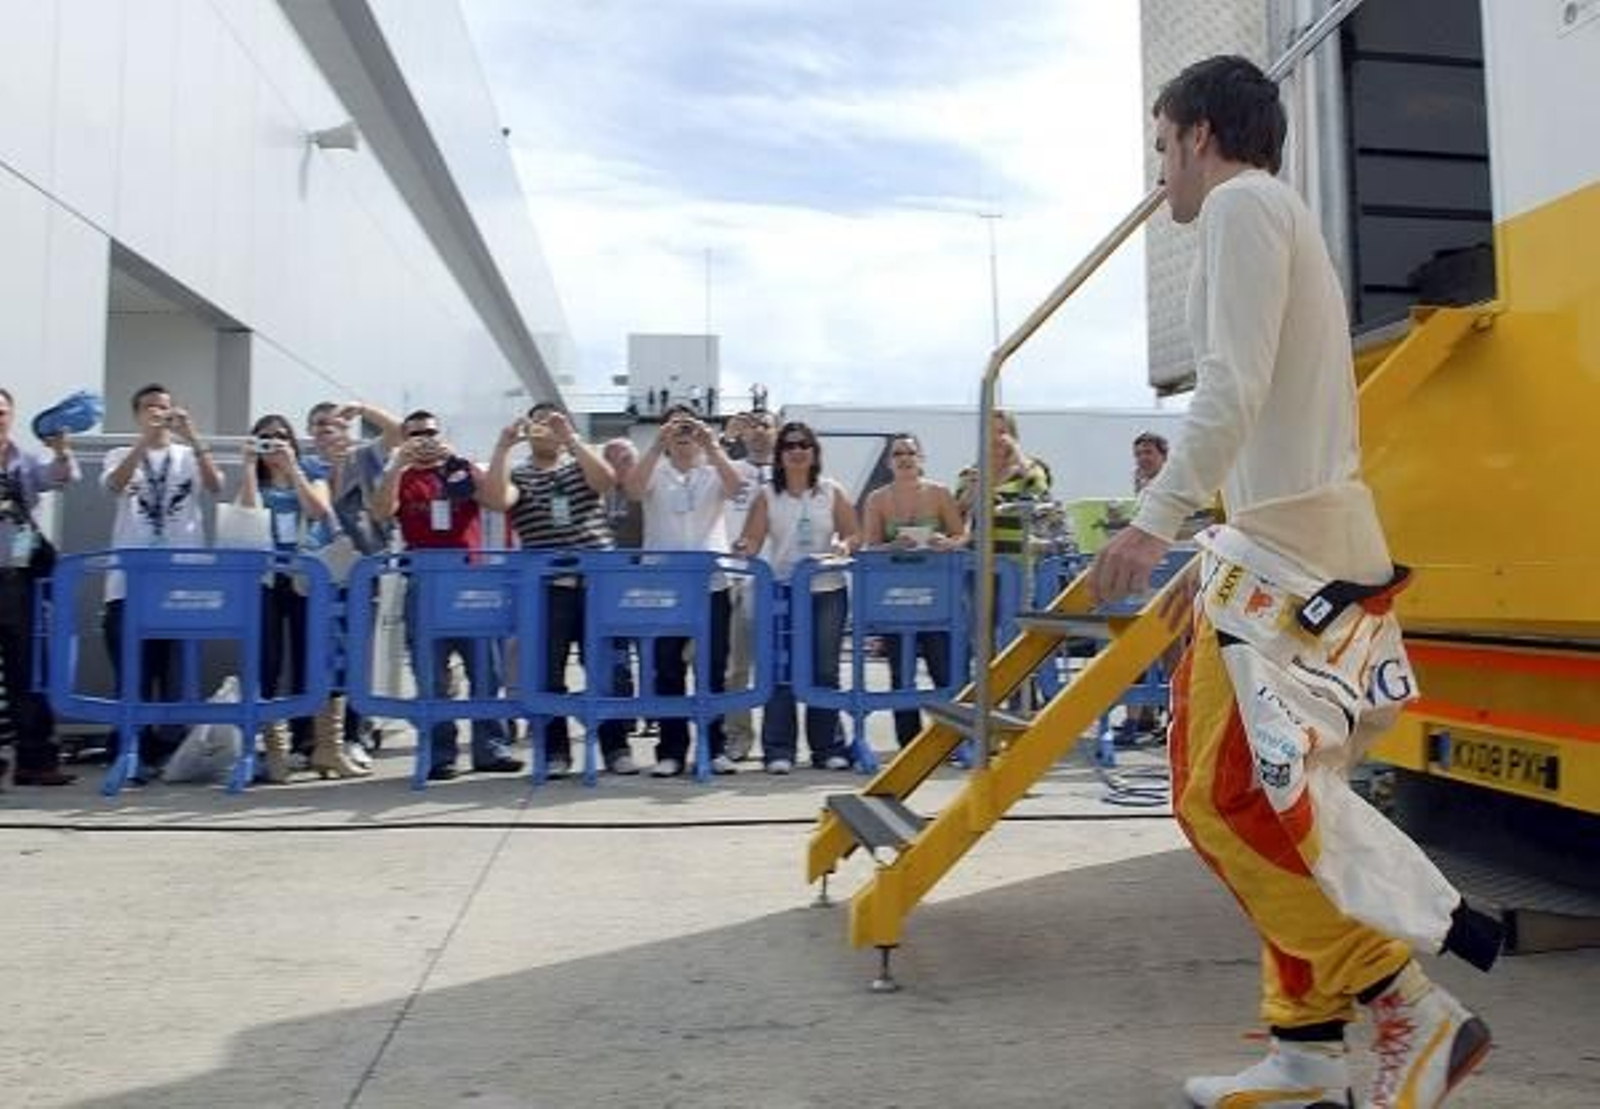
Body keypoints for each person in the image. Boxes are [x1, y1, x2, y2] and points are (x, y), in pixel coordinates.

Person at [1089, 56, 1500, 1109]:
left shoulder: (1239, 206)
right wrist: (1211, 544)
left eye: (1159, 147)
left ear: (1195, 135)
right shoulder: (1280, 216)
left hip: (1289, 568)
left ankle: (1399, 1001)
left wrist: (1151, 523)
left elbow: (1230, 386)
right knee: (1281, 803)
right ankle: (1305, 1054)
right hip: (1288, 555)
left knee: (1219, 796)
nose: (1158, 174)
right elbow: (1272, 419)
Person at [372, 410, 522, 781]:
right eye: (416, 434)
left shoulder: (460, 469)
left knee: (485, 670)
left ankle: (491, 747)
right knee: (431, 673)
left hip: (469, 579)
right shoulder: (402, 476)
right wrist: (397, 465)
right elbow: (379, 511)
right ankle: (441, 753)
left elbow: (499, 500)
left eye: (430, 433)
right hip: (424, 580)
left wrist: (494, 451)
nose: (424, 439)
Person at [501, 404, 636, 777]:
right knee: (548, 670)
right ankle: (555, 750)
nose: (545, 428)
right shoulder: (521, 473)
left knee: (605, 667)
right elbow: (498, 500)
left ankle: (615, 746)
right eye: (538, 422)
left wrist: (571, 439)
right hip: (548, 584)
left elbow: (606, 481)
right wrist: (502, 449)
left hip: (597, 579)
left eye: (553, 421)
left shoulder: (579, 461)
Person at [100, 384, 224, 777]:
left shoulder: (187, 455)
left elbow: (218, 484)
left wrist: (192, 435)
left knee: (178, 670)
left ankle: (171, 750)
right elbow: (116, 486)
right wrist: (143, 443)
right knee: (133, 670)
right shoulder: (120, 454)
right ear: (137, 414)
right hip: (130, 582)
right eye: (151, 408)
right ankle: (130, 751)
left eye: (165, 407)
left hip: (181, 581)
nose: (159, 413)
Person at [624, 405, 743, 777]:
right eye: (675, 426)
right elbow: (632, 488)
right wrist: (658, 445)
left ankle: (714, 746)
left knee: (713, 667)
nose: (683, 432)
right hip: (664, 586)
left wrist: (712, 442)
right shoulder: (655, 470)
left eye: (689, 426)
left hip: (711, 582)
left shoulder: (713, 470)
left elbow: (736, 487)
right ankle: (671, 750)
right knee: (667, 668)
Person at [734, 420, 858, 774]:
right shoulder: (767, 495)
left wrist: (843, 544)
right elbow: (753, 541)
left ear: (814, 452)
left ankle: (828, 746)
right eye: (789, 445)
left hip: (826, 589)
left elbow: (854, 533)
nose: (796, 451)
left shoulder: (831, 491)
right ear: (779, 454)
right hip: (781, 591)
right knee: (779, 671)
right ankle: (778, 749)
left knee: (825, 670)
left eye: (804, 445)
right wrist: (743, 547)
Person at [234, 414, 352, 782]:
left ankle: (324, 747)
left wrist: (293, 469)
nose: (273, 443)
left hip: (307, 576)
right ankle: (275, 752)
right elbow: (246, 515)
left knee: (315, 658)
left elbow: (319, 511)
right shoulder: (256, 477)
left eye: (281, 437)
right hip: (267, 580)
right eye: (265, 438)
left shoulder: (313, 470)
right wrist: (250, 466)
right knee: (266, 661)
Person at [303, 400, 404, 766]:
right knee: (320, 655)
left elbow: (399, 432)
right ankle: (318, 741)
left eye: (333, 425)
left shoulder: (364, 459)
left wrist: (362, 409)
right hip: (318, 572)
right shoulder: (306, 465)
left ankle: (353, 734)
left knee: (358, 654)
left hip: (362, 568)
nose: (326, 432)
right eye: (318, 426)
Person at [861, 433, 967, 746]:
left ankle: (950, 740)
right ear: (889, 461)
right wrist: (894, 545)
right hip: (895, 597)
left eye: (910, 452)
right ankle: (909, 743)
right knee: (901, 674)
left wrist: (944, 543)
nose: (904, 458)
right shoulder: (877, 499)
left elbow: (960, 536)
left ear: (921, 458)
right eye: (898, 453)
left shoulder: (939, 492)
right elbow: (870, 546)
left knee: (943, 669)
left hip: (936, 595)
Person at [0, 388, 80, 786]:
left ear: (12, 416)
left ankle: (34, 760)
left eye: (2, 412)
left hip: (16, 576)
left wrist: (63, 450)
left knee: (27, 667)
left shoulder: (23, 461)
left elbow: (60, 478)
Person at [721, 409, 778, 761]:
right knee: (736, 666)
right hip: (737, 577)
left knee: (780, 666)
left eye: (766, 426)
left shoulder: (791, 474)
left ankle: (777, 741)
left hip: (778, 578)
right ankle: (738, 734)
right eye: (752, 426)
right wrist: (723, 439)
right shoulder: (730, 473)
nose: (758, 432)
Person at [955, 409, 1051, 558]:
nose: (996, 438)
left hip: (1019, 562)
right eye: (990, 432)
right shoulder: (969, 474)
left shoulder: (1030, 469)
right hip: (979, 561)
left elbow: (1040, 490)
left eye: (1002, 432)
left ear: (1013, 436)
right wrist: (968, 497)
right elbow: (954, 519)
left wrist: (1017, 453)